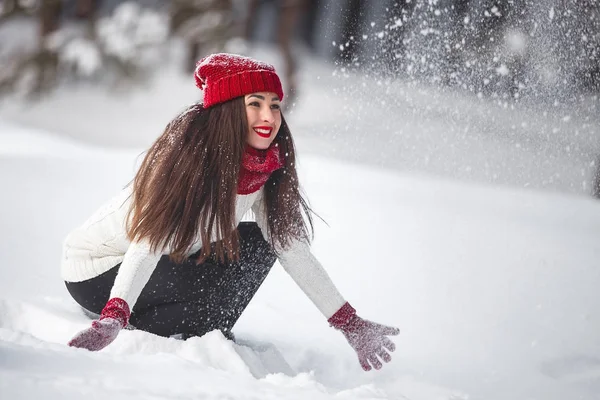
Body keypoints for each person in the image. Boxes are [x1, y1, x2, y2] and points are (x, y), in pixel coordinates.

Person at [62, 53, 399, 371]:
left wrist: (349, 323)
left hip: (163, 259)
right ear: (228, 111)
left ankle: (201, 325)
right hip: (97, 269)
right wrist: (114, 316)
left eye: (275, 105)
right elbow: (147, 246)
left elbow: (291, 250)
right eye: (255, 104)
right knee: (204, 295)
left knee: (264, 242)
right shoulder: (190, 164)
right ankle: (179, 325)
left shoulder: (259, 167)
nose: (269, 116)